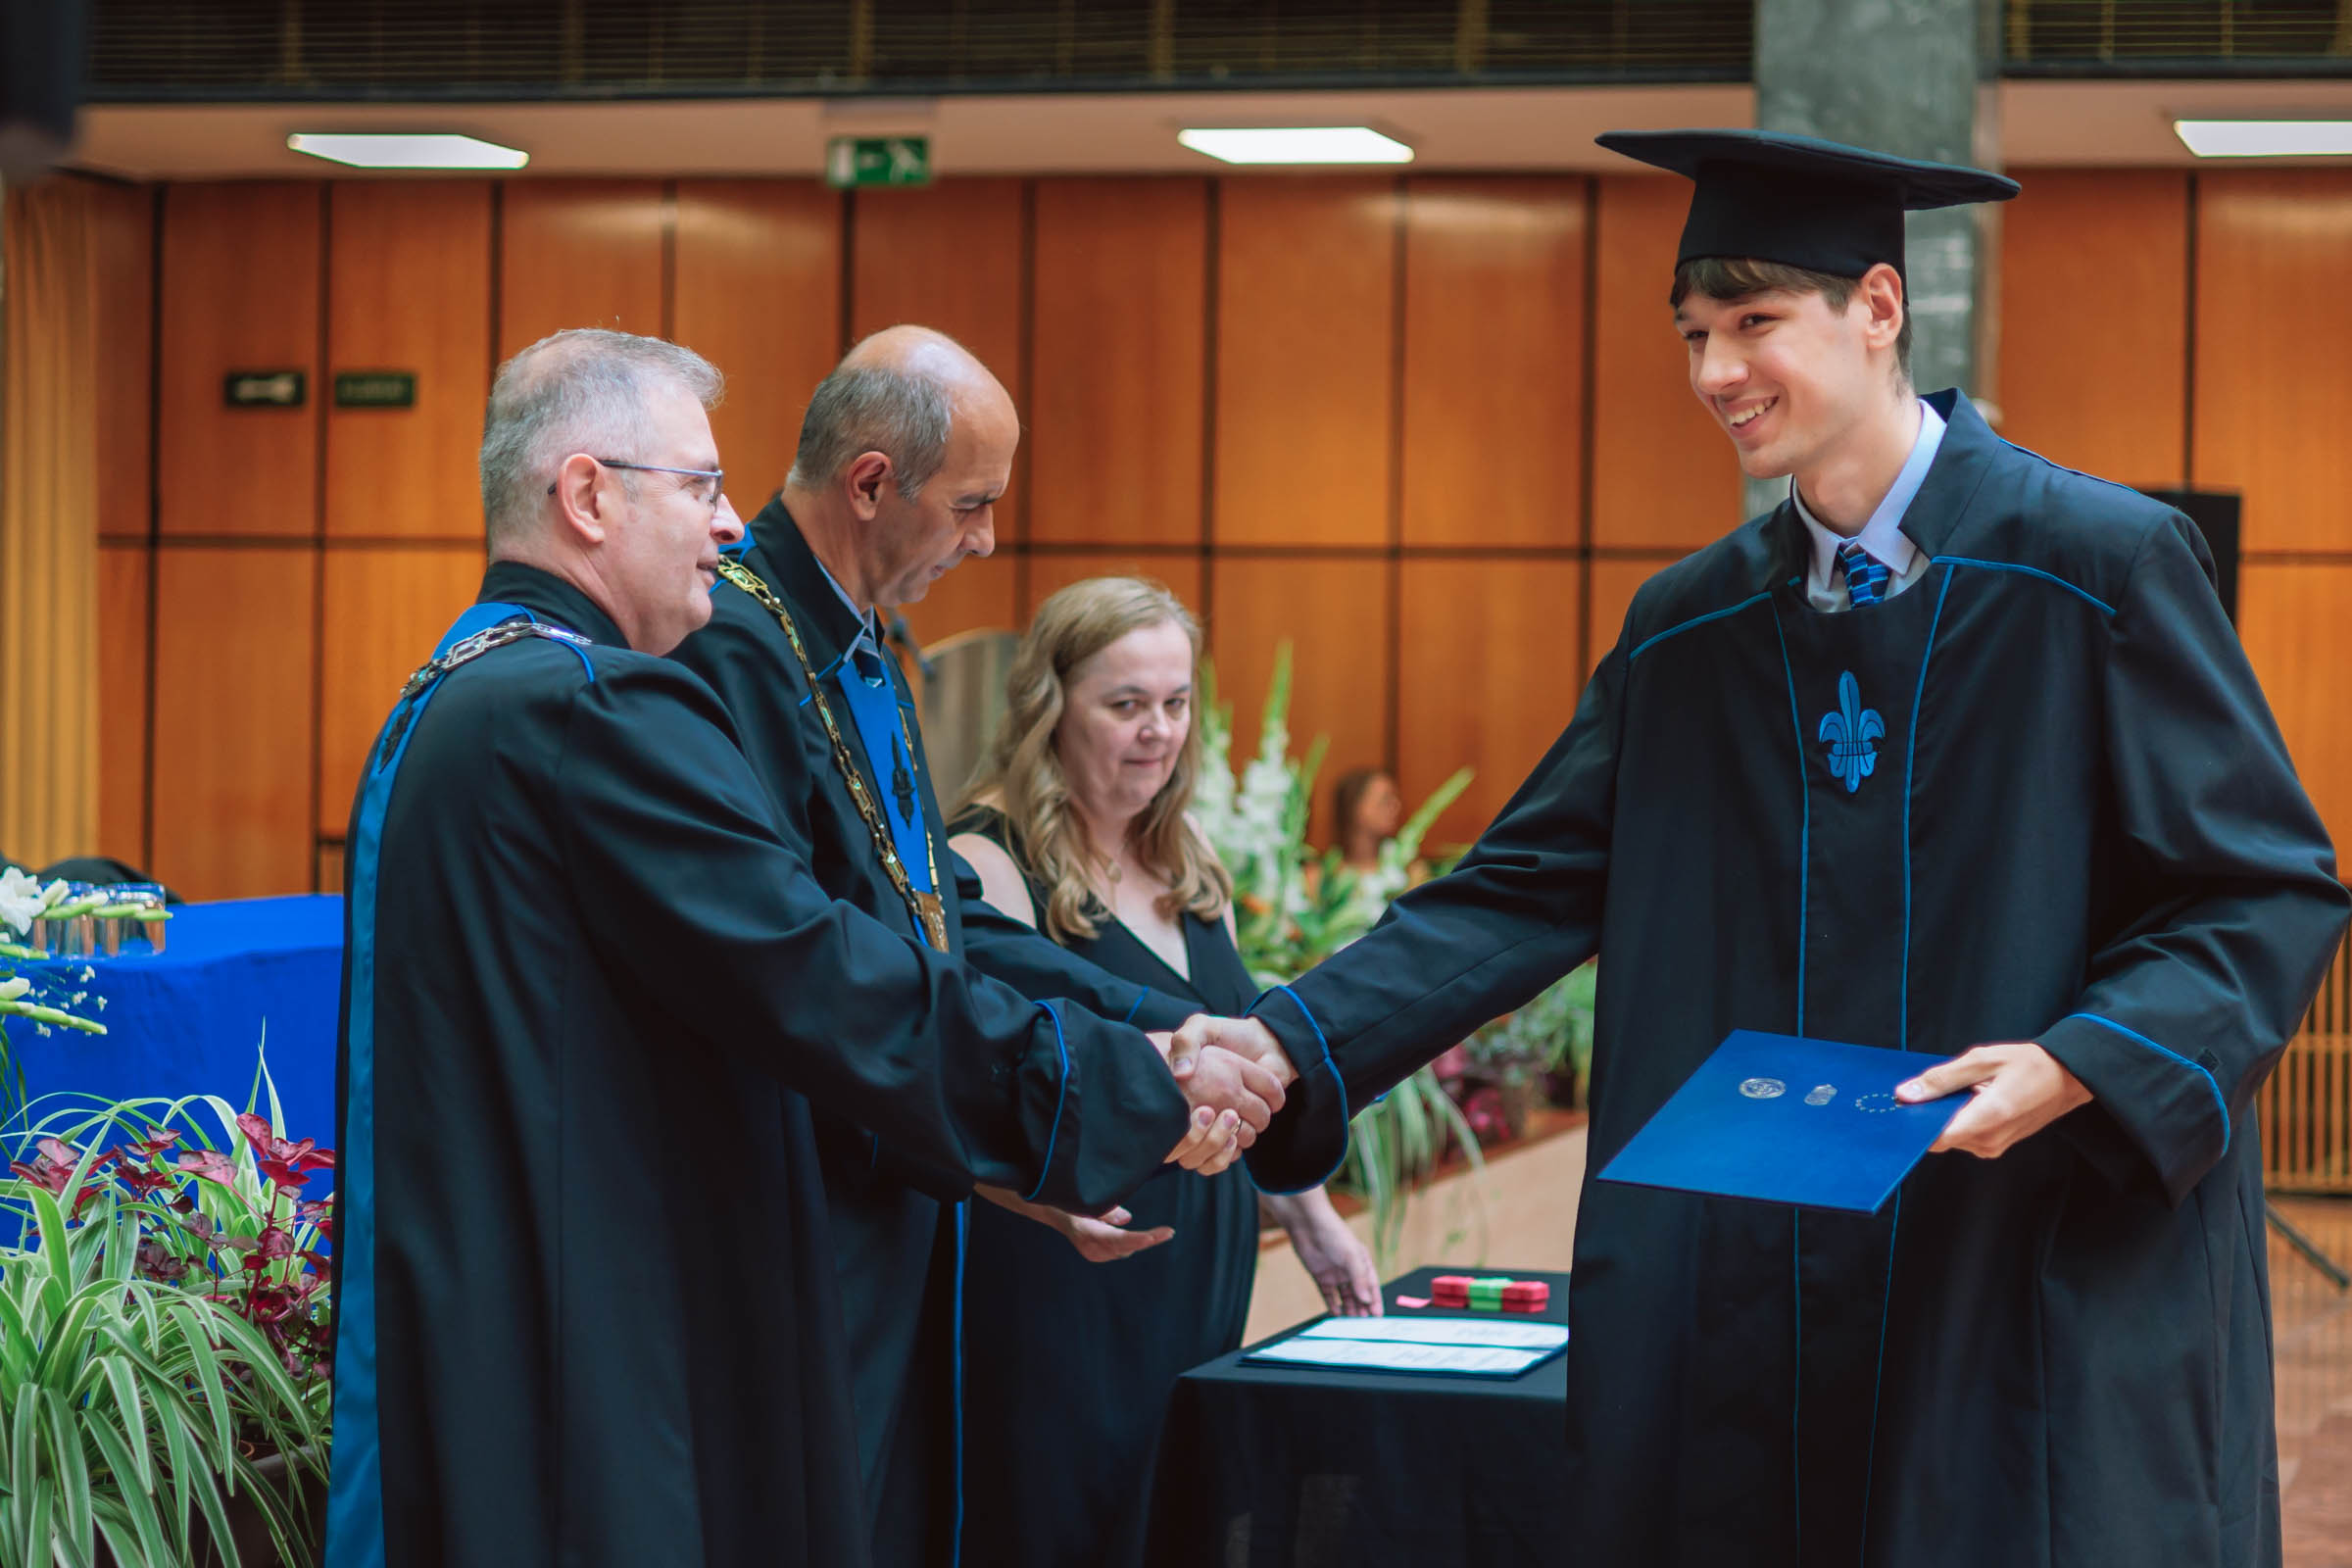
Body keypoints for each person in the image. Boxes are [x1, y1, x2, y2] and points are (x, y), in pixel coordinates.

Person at [1181, 129, 2351, 1568]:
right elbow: (1520, 890)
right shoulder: (1692, 632)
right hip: (1757, 1283)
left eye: (1753, 322)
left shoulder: (2094, 569)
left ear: (1878, 307)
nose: (1714, 370)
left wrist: (2079, 1064)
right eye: (1693, 332)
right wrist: (1291, 1039)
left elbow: (2258, 889)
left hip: (2018, 1253)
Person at [326, 327, 1289, 1568]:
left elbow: (916, 926)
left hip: (495, 1278)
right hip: (600, 1300)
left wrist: (1136, 1036)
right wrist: (1109, 1085)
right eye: (701, 486)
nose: (729, 525)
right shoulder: (599, 706)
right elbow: (815, 967)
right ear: (588, 497)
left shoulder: (463, 688)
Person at [668, 325, 1276, 1566]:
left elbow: (944, 924)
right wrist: (1084, 1094)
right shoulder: (736, 641)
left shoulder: (859, 644)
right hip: (805, 1207)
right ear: (871, 483)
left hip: (895, 1186)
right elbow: (819, 964)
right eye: (972, 504)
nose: (988, 539)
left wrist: (1160, 1024)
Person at [947, 575, 1381, 1568]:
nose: (1159, 732)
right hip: (1064, 1279)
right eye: (1126, 704)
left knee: (1179, 1525)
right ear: (1052, 705)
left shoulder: (1186, 854)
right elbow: (969, 1083)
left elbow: (1240, 1056)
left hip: (1199, 1267)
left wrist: (1310, 1216)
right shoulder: (988, 863)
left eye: (1176, 702)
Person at [1330, 766, 1403, 875]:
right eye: (1385, 800)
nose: (1396, 806)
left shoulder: (1406, 868)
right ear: (1355, 807)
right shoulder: (1326, 874)